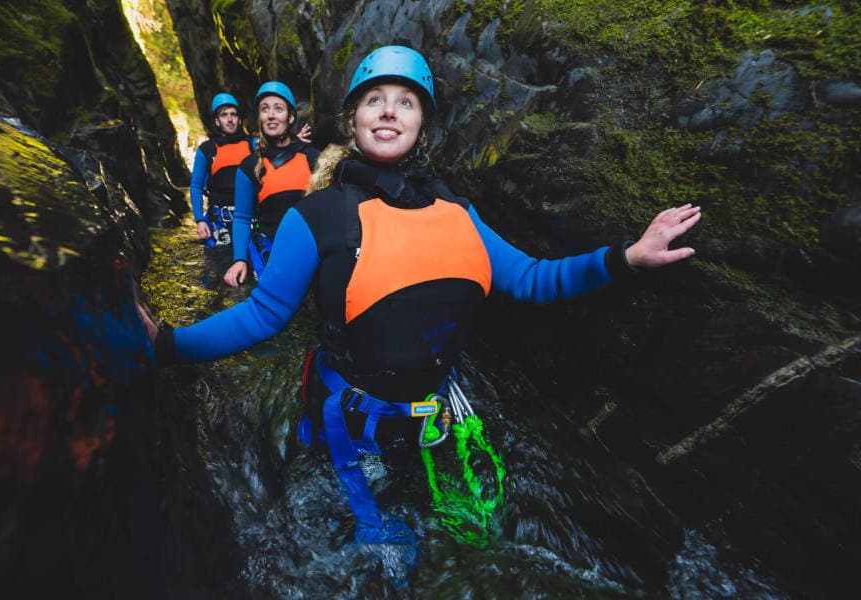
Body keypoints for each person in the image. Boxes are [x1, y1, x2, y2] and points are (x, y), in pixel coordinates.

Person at [141, 46, 701, 547]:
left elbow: (533, 278)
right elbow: (261, 317)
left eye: (405, 102)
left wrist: (627, 256)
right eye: (375, 100)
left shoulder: (459, 214)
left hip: (436, 424)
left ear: (422, 127)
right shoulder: (315, 217)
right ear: (352, 121)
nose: (389, 111)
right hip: (351, 433)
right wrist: (168, 343)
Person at [223, 81, 319, 286]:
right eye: (265, 109)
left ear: (290, 117)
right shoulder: (249, 166)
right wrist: (239, 260)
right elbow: (242, 217)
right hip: (271, 252)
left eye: (278, 109)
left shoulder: (312, 158)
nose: (271, 115)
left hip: (311, 251)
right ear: (259, 118)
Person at [190, 93, 253, 247]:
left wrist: (295, 140)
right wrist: (199, 221)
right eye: (224, 115)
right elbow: (196, 186)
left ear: (239, 119)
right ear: (217, 121)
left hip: (250, 216)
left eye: (233, 114)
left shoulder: (253, 145)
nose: (230, 119)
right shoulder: (207, 150)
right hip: (219, 221)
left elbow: (277, 150)